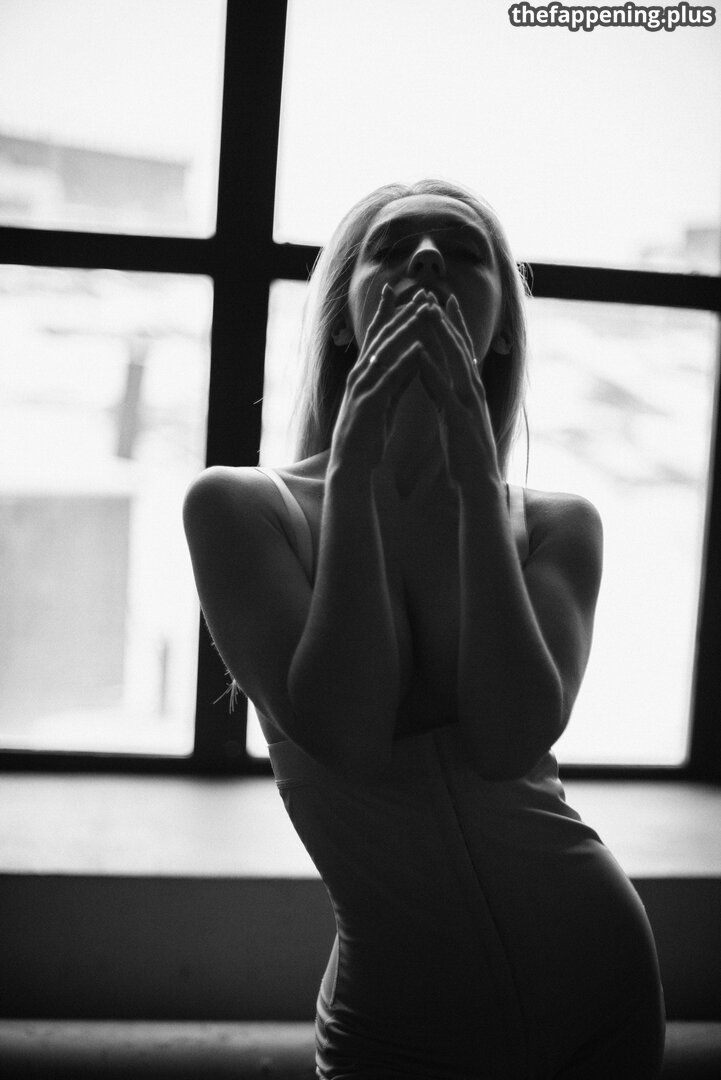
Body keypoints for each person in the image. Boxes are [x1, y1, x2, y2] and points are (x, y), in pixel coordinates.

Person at [183, 179, 665, 1078]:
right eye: (393, 246)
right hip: (399, 1021)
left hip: (599, 984)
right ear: (341, 319)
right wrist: (356, 466)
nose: (431, 260)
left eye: (465, 251)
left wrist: (476, 484)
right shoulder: (241, 507)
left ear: (502, 330)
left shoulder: (557, 524)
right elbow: (348, 734)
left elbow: (510, 739)